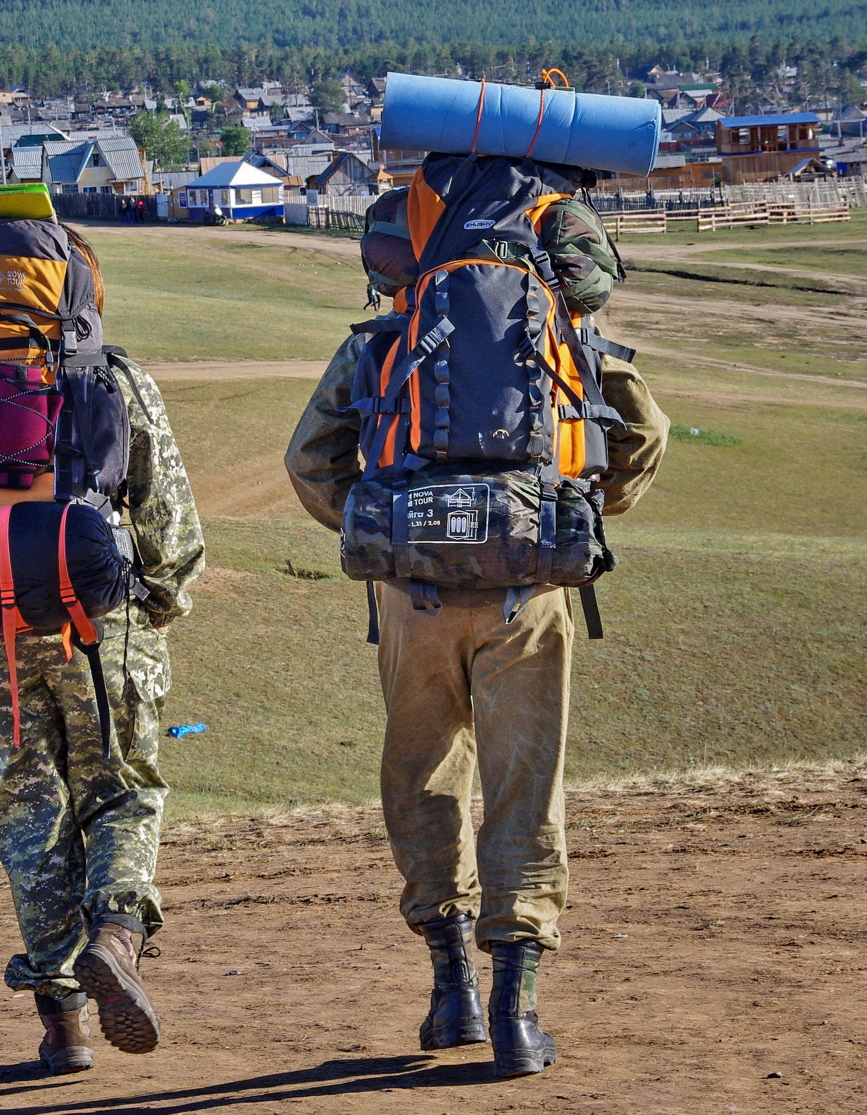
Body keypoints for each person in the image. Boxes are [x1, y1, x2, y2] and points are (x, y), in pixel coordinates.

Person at [284, 171, 668, 1077]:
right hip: (530, 593)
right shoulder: (566, 336)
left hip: (410, 598)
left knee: (424, 775)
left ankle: (449, 990)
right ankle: (519, 1015)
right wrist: (566, 512)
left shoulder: (383, 341)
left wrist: (385, 525)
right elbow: (644, 433)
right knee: (525, 782)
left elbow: (310, 460)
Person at [0, 226, 205, 1075]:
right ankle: (118, 937)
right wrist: (157, 608)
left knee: (30, 819)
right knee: (123, 794)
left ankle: (63, 1028)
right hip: (103, 630)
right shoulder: (113, 378)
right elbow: (172, 525)